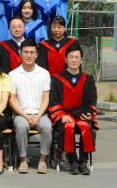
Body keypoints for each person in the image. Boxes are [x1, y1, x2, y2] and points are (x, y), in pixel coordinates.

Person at [48, 47, 97, 175]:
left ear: (81, 60)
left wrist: (89, 114)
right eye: (71, 57)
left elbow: (92, 101)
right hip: (64, 117)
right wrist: (62, 115)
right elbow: (54, 101)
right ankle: (73, 161)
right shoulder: (57, 79)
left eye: (76, 57)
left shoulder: (88, 79)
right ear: (65, 59)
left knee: (87, 127)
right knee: (66, 127)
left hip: (82, 117)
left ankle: (83, 162)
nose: (74, 60)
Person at [9, 38, 53, 174]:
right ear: (20, 54)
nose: (29, 55)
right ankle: (23, 160)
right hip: (20, 114)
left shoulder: (44, 74)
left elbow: (46, 98)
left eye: (32, 52)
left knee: (47, 127)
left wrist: (38, 116)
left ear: (36, 54)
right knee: (22, 127)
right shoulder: (13, 74)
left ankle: (42, 161)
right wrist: (25, 116)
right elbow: (12, 100)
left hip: (40, 114)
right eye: (26, 52)